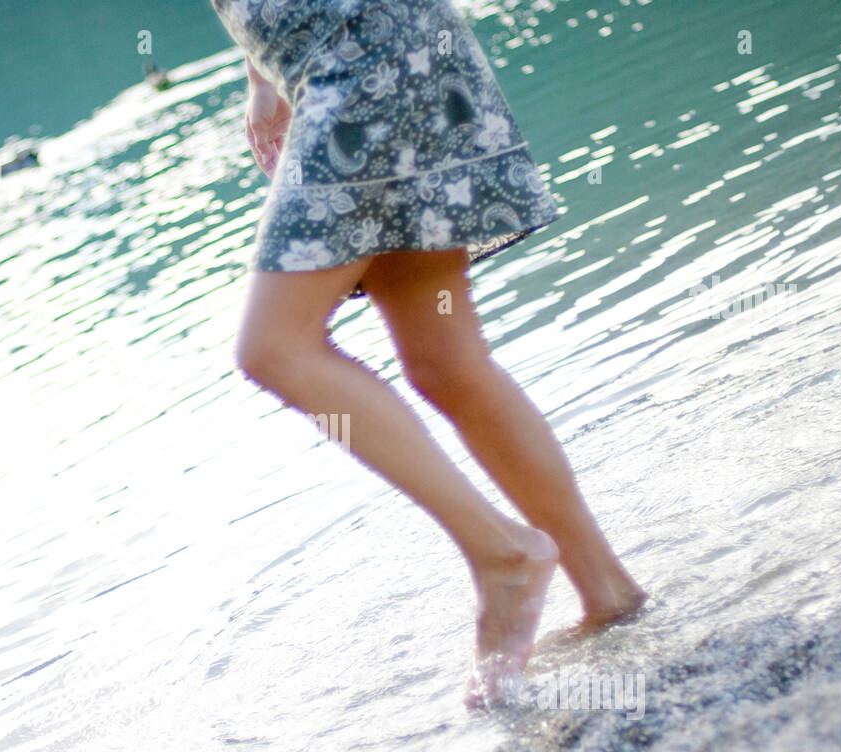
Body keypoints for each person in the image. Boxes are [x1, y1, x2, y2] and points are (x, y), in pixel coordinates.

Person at [210, 0, 648, 706]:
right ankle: (608, 591)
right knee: (445, 364)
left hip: (367, 59)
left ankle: (502, 555)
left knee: (274, 350)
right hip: (360, 60)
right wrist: (261, 75)